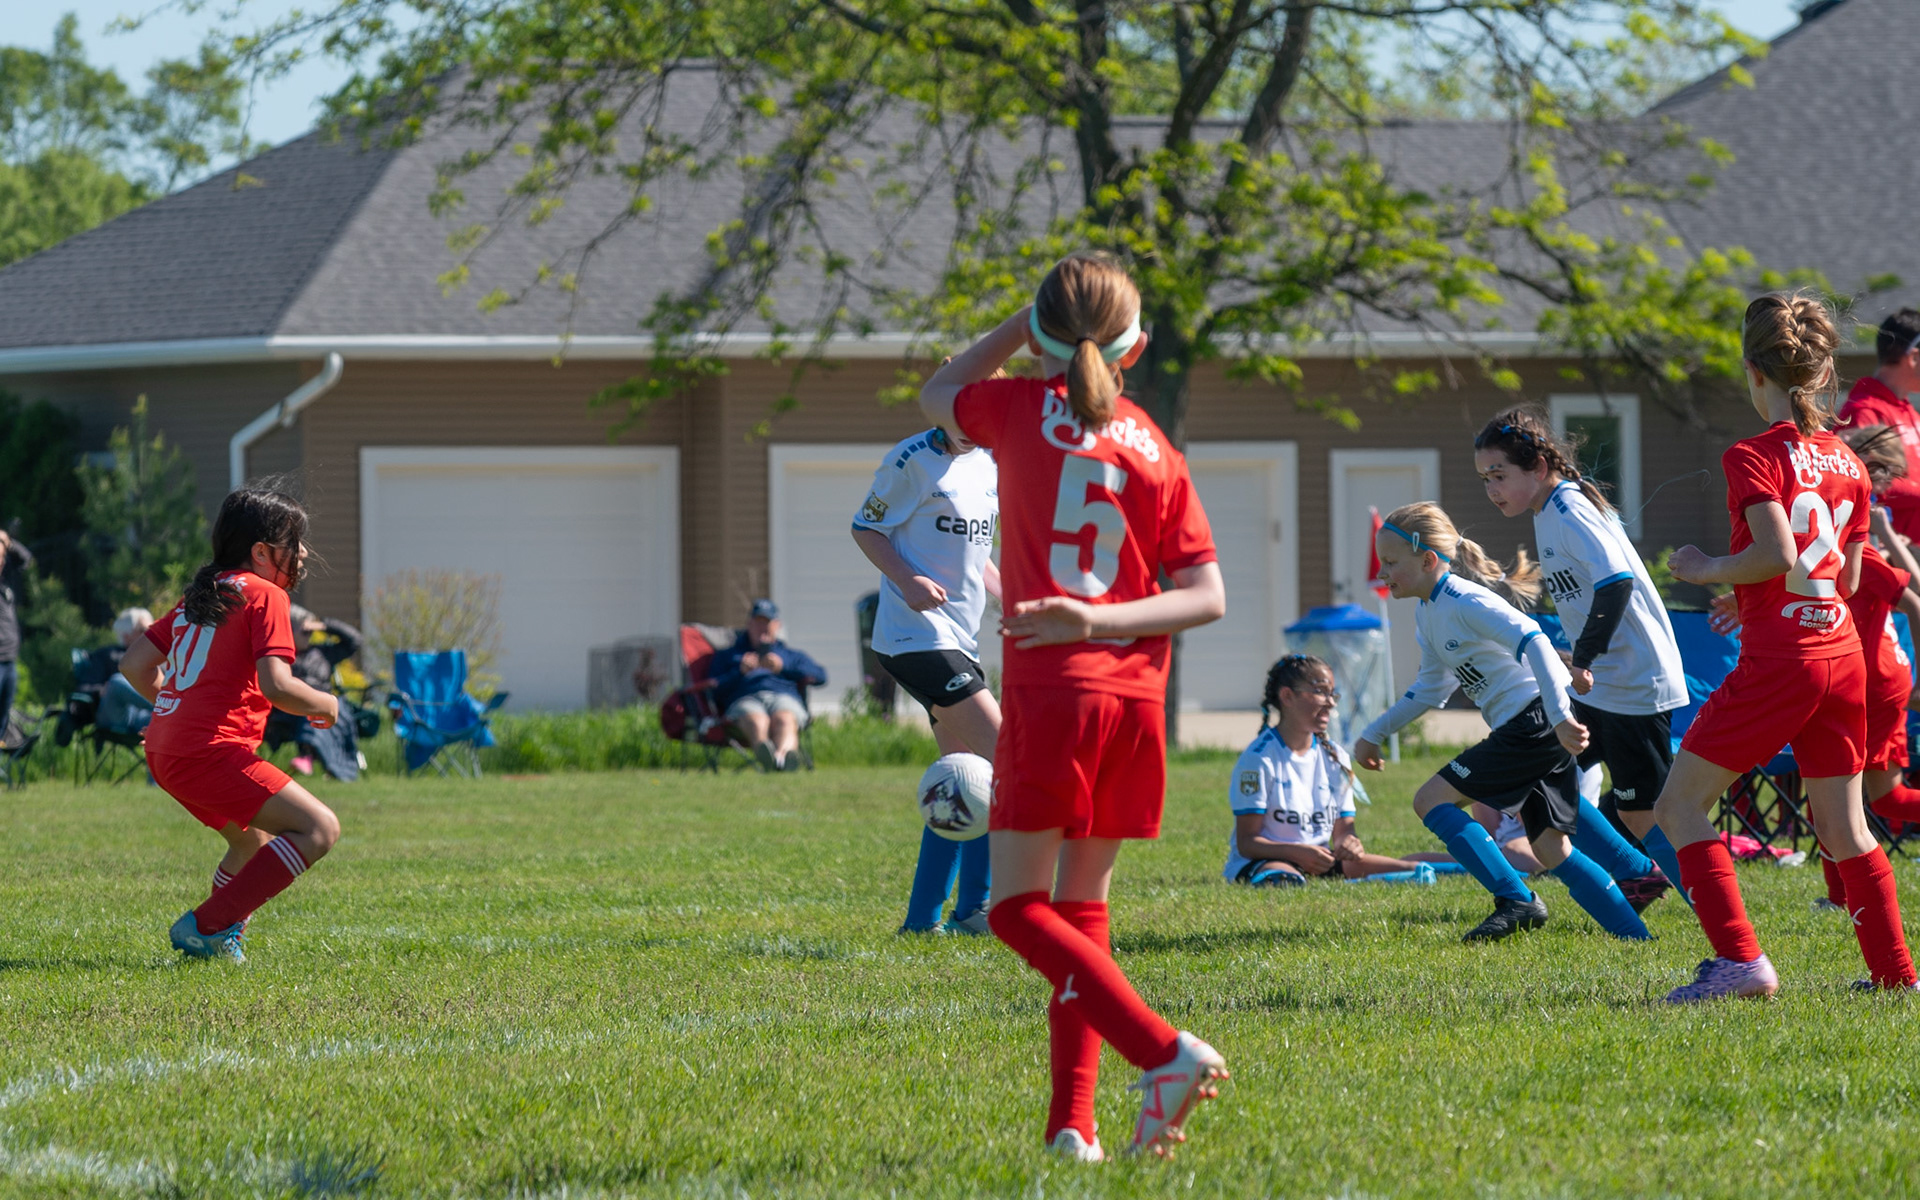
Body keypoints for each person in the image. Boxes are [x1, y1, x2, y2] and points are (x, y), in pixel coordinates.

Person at [921, 251, 1229, 1161]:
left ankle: (1163, 1052)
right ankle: (1073, 1126)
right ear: (1135, 344)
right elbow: (1206, 595)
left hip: (1056, 693)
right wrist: (1102, 617)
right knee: (1081, 918)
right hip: (1134, 699)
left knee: (1018, 912)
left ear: (1042, 337)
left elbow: (939, 389)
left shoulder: (1016, 409)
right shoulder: (1154, 443)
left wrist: (1025, 326)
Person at [1653, 292, 1916, 1002]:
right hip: (1842, 658)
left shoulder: (1751, 454)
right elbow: (1847, 575)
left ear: (1752, 370)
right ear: (1825, 372)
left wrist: (1710, 567)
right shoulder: (1851, 463)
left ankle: (1741, 963)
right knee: (1847, 824)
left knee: (1677, 807)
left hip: (1786, 663)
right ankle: (1897, 978)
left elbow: (1774, 551)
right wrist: (1754, 598)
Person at [1351, 502, 1653, 944]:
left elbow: (1535, 640)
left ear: (1428, 559)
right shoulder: (1427, 612)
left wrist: (1559, 715)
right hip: (1527, 724)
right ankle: (1636, 932)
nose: (1383, 572)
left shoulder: (1464, 600)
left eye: (1392, 562)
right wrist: (1372, 734)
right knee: (1551, 847)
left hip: (1531, 722)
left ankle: (1517, 900)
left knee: (1430, 800)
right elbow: (1430, 690)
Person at [117, 488, 342, 963]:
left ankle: (219, 942)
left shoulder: (205, 593)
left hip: (165, 749)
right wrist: (327, 702)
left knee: (249, 842)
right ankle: (207, 926)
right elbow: (278, 686)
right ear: (261, 553)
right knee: (319, 828)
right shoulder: (267, 594)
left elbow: (134, 665)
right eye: (294, 541)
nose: (302, 553)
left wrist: (175, 712)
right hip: (205, 752)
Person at [1472, 406, 1681, 910]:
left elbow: (1617, 582)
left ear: (1539, 468)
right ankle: (1634, 878)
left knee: (1645, 816)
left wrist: (1583, 657)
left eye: (1499, 475)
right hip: (1599, 684)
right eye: (1484, 479)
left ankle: (1713, 909)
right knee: (1537, 773)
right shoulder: (1547, 511)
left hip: (1634, 684)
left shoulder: (1569, 508)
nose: (1491, 489)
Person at [851, 423, 1003, 935]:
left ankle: (925, 922)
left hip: (961, 639)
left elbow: (975, 556)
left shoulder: (987, 463)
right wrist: (907, 579)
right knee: (1007, 760)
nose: (974, 430)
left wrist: (1013, 597)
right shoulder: (910, 458)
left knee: (969, 777)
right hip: (915, 637)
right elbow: (865, 528)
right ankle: (977, 910)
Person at [1226, 654, 1467, 886]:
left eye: (1332, 694)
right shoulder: (1259, 759)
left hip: (1321, 861)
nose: (1330, 703)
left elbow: (1343, 833)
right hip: (1268, 862)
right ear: (1287, 696)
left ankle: (1478, 866)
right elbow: (1248, 843)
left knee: (1416, 872)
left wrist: (1349, 844)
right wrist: (1297, 852)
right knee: (1284, 882)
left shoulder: (1336, 756)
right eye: (1320, 692)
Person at [711, 600, 827, 771]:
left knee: (785, 718)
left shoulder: (790, 655)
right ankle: (769, 757)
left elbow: (821, 676)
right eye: (758, 622)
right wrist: (740, 672)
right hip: (745, 700)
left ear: (777, 625)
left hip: (783, 698)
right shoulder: (729, 655)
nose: (762, 628)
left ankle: (783, 758)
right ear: (749, 624)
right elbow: (714, 688)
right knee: (757, 720)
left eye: (767, 623)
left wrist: (783, 667)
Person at [1835, 309, 1920, 542]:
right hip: (1893, 560)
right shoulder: (1864, 411)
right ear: (1913, 357)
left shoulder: (1909, 411)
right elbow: (1866, 483)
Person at [265, 604, 365, 780]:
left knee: (328, 708)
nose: (309, 636)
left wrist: (323, 625)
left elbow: (355, 640)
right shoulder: (278, 656)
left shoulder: (322, 652)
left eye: (311, 632)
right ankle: (310, 757)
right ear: (289, 630)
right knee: (310, 706)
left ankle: (314, 759)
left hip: (321, 703)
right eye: (305, 632)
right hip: (289, 709)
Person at [97, 608, 157, 735]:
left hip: (142, 717)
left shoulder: (154, 658)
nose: (149, 634)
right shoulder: (107, 654)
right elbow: (85, 685)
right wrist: (100, 689)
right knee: (116, 682)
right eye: (143, 630)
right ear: (126, 635)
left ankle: (171, 710)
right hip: (115, 713)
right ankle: (169, 707)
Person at [0, 527, 32, 741]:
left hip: (9, 659)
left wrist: (9, 542)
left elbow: (25, 560)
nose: (1, 560)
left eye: (2, 556)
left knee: (2, 719)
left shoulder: (6, 580)